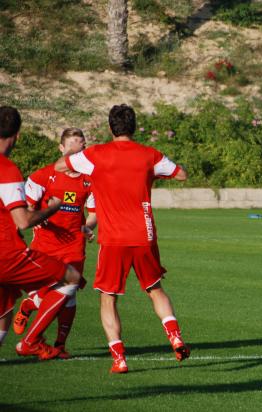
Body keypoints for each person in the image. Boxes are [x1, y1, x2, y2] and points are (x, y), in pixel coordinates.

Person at [55, 104, 189, 373]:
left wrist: (78, 159)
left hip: (113, 238)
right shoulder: (149, 154)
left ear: (110, 127)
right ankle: (174, 336)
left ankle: (119, 358)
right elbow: (181, 174)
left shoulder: (95, 154)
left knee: (108, 297)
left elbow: (60, 166)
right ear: (134, 127)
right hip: (144, 234)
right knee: (155, 288)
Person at [0, 106, 81, 359]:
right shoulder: (8, 170)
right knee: (72, 278)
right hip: (8, 255)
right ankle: (30, 342)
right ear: (17, 136)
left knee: (3, 310)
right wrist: (53, 207)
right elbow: (23, 220)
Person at [12, 128, 97, 359]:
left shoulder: (90, 180)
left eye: (80, 145)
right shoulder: (43, 176)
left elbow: (94, 212)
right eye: (70, 146)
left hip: (74, 246)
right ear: (61, 149)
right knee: (52, 294)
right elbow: (27, 209)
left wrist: (87, 227)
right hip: (45, 245)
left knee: (70, 291)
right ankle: (30, 308)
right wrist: (38, 218)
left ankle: (59, 345)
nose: (76, 150)